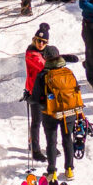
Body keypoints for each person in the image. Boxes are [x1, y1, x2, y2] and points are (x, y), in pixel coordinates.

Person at [40, 45, 85, 175]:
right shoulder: (68, 72)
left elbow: (37, 97)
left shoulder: (43, 75)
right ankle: (69, 169)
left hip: (51, 114)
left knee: (51, 142)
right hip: (69, 112)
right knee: (67, 139)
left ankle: (52, 171)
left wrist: (29, 98)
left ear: (45, 58)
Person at [22, 24, 53, 160]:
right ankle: (35, 150)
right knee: (37, 122)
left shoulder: (44, 52)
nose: (40, 44)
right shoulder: (31, 54)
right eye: (38, 41)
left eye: (44, 42)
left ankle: (50, 146)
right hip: (34, 92)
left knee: (48, 120)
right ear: (34, 40)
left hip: (46, 91)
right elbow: (43, 65)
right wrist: (62, 59)